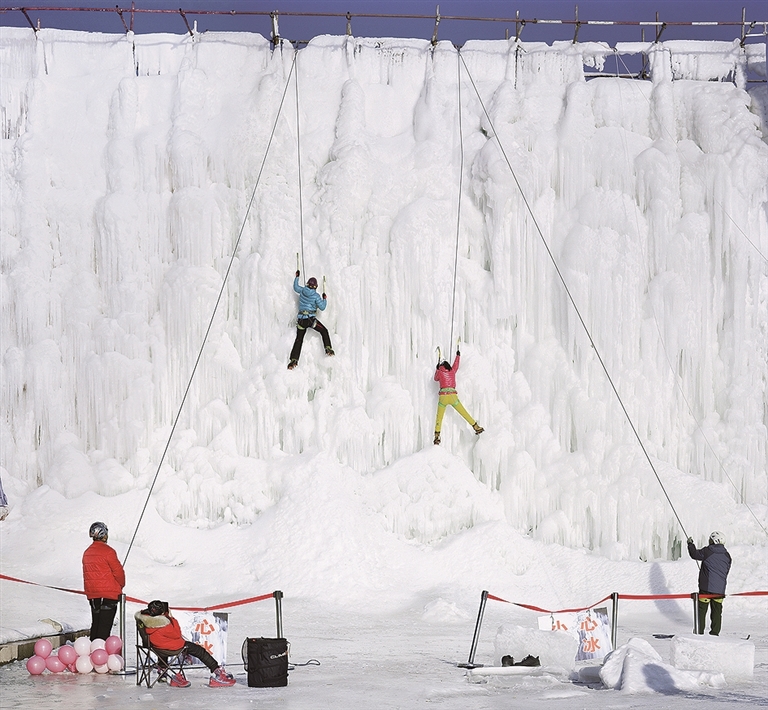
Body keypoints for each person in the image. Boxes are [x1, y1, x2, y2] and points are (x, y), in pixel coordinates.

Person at [135, 600, 236, 687]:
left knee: (162, 643)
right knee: (199, 650)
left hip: (155, 647)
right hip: (173, 648)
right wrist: (170, 618)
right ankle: (217, 672)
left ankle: (163, 671)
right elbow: (176, 634)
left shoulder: (143, 619)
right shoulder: (165, 622)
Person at [82, 521, 125, 640]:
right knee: (105, 626)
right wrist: (120, 585)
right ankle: (101, 654)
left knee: (95, 624)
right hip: (109, 595)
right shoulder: (109, 551)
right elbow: (118, 573)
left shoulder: (87, 553)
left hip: (93, 595)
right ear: (104, 535)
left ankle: (92, 651)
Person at [433, 348, 483, 445]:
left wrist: (437, 368)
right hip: (452, 396)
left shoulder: (440, 371)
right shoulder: (452, 371)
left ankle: (437, 436)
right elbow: (456, 365)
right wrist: (458, 355)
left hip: (443, 397)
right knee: (463, 412)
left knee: (439, 417)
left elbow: (436, 378)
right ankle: (475, 426)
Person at [687, 531, 732, 636]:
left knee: (701, 611)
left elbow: (694, 554)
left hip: (706, 588)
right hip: (720, 590)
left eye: (710, 540)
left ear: (714, 541)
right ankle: (715, 633)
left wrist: (690, 544)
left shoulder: (708, 551)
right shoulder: (727, 555)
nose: (709, 541)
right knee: (717, 613)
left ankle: (699, 633)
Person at [288, 270, 334, 369]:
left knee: (299, 340)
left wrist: (297, 276)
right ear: (315, 287)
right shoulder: (316, 296)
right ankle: (328, 349)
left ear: (308, 284)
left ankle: (293, 360)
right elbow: (322, 307)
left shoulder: (303, 290)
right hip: (310, 320)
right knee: (324, 331)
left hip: (301, 320)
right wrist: (324, 299)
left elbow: (295, 287)